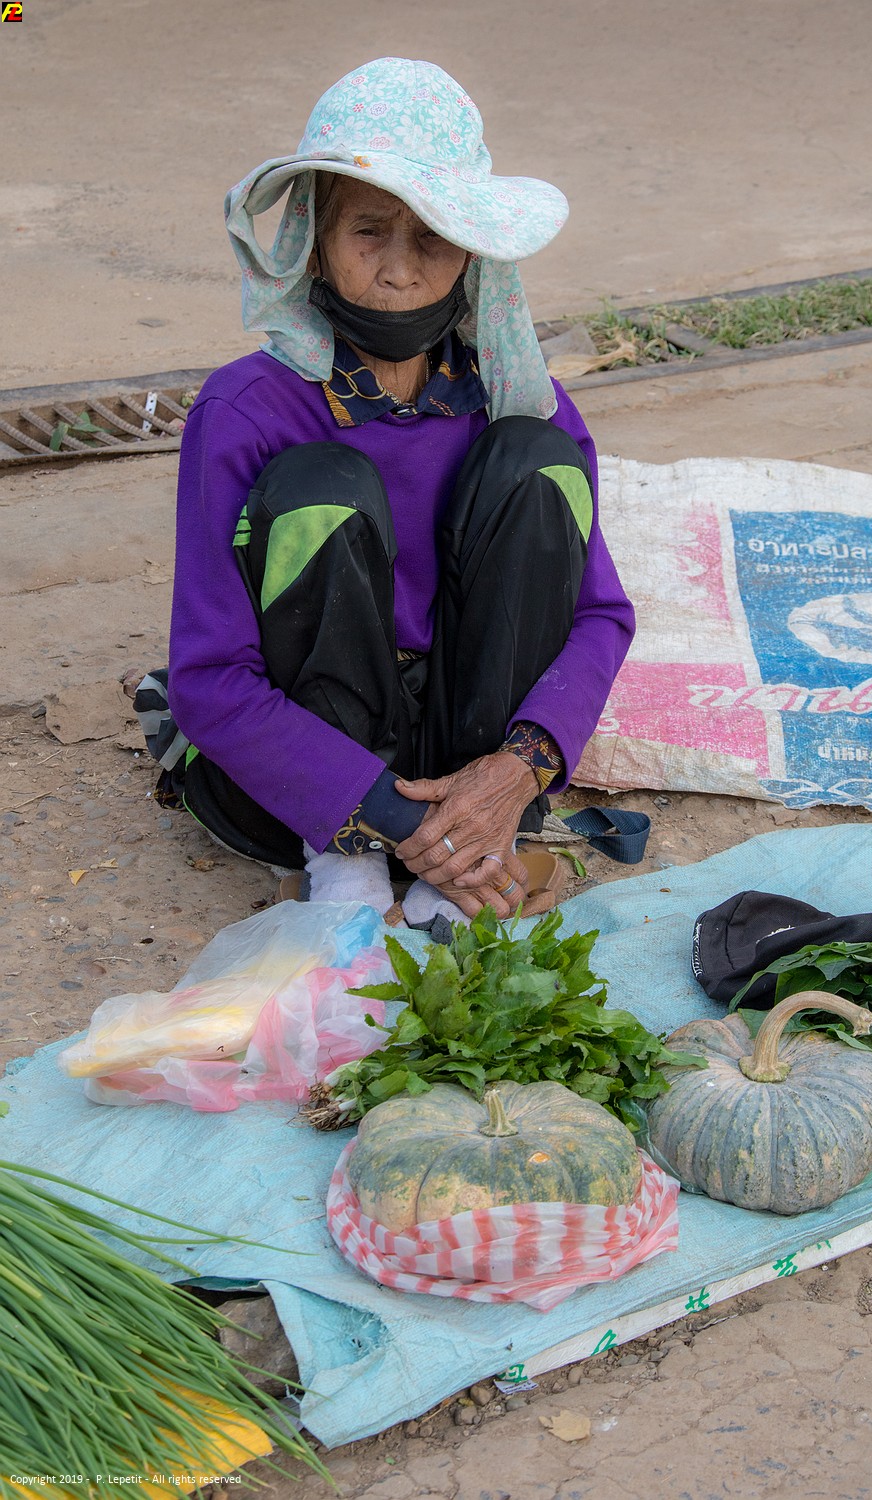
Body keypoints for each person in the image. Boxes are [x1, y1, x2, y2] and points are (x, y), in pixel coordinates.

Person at [148, 56, 635, 927]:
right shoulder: (244, 413)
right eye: (369, 231)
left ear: (474, 252)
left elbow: (600, 616)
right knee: (321, 486)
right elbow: (210, 677)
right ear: (315, 239)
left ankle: (482, 835)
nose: (402, 270)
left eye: (433, 237)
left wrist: (516, 769)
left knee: (533, 462)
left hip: (470, 761)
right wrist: (399, 819)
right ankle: (351, 858)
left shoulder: (521, 400)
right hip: (296, 777)